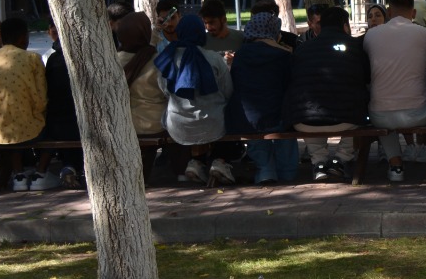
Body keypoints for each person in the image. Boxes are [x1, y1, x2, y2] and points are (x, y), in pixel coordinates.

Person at [288, 6, 370, 183]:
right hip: (345, 119)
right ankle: (340, 159)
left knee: (312, 110)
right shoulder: (354, 47)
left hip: (304, 121)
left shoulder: (302, 49)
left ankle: (319, 163)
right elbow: (367, 77)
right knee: (359, 115)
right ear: (344, 25)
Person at [364, 0, 426, 183]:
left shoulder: (371, 35)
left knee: (384, 113)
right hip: (419, 112)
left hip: (379, 113)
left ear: (388, 12)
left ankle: (396, 166)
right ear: (413, 13)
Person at [155, 12, 235, 185]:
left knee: (193, 118)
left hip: (178, 125)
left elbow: (164, 90)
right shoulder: (214, 58)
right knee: (228, 114)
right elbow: (228, 91)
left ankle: (196, 162)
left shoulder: (167, 58)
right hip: (214, 123)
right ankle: (220, 160)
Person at [0, 16, 48, 190]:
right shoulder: (32, 59)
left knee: (10, 120)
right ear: (23, 37)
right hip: (31, 129)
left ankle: (19, 173)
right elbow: (41, 99)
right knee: (48, 124)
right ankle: (40, 172)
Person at [227, 11, 298, 185]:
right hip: (277, 115)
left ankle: (265, 170)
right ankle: (287, 172)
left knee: (256, 133)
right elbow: (290, 85)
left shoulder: (241, 55)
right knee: (285, 126)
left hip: (247, 118)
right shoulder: (283, 55)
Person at [115, 12, 169, 180]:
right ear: (144, 33)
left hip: (122, 125)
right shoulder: (158, 60)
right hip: (154, 124)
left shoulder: (113, 61)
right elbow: (167, 92)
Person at [30, 20, 82, 190]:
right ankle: (72, 167)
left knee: (60, 129)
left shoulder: (53, 58)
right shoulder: (84, 58)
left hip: (57, 119)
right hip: (78, 118)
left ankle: (67, 167)